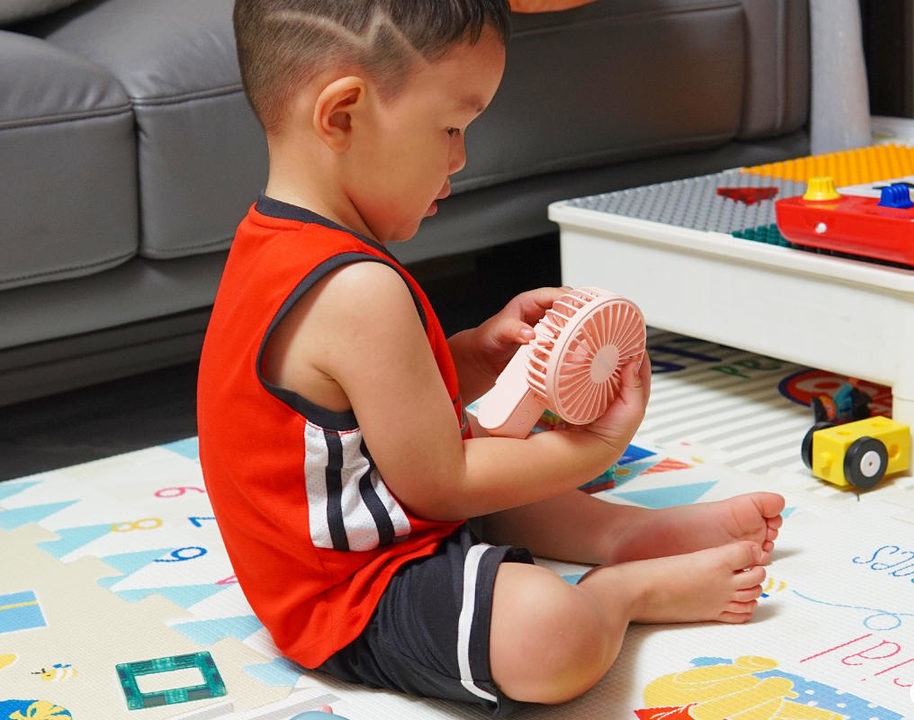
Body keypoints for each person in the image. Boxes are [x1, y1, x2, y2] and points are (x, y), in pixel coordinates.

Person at [197, 0, 785, 714]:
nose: (460, 158)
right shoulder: (359, 290)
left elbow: (363, 402)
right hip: (349, 594)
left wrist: (474, 353)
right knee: (547, 631)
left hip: (382, 524)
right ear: (343, 115)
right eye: (451, 128)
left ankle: (625, 534)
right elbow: (442, 485)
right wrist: (595, 446)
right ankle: (624, 590)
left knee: (508, 478)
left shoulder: (273, 240)